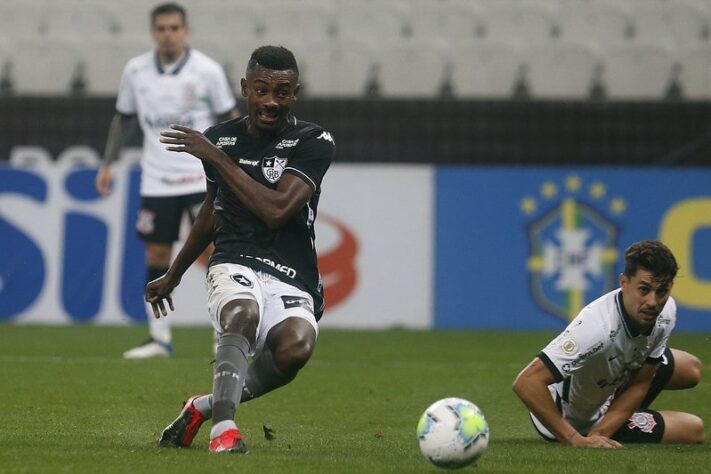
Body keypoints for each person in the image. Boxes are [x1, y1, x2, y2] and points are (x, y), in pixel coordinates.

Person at [146, 45, 335, 453]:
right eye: (262, 90)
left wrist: (216, 156)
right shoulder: (222, 138)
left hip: (292, 269)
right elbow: (211, 212)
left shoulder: (313, 140)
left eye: (282, 92)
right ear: (246, 88)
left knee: (295, 349)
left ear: (295, 93)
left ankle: (202, 407)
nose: (271, 101)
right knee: (242, 313)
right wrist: (173, 275)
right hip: (234, 258)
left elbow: (277, 210)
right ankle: (224, 431)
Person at [95, 3, 240, 359]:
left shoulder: (206, 70)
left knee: (213, 253)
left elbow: (230, 118)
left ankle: (223, 334)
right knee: (158, 253)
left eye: (174, 28)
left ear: (185, 31)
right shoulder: (136, 70)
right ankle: (159, 338)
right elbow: (124, 119)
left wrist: (236, 167)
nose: (168, 34)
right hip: (157, 180)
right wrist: (108, 163)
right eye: (161, 28)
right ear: (153, 32)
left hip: (200, 178)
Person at [513, 240, 704, 448]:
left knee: (691, 369)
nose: (652, 302)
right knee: (694, 429)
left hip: (614, 379)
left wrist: (602, 433)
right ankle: (612, 417)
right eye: (644, 289)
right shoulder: (596, 329)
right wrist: (576, 439)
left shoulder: (666, 311)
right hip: (575, 419)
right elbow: (527, 382)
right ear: (623, 282)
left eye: (661, 291)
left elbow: (642, 381)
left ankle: (616, 410)